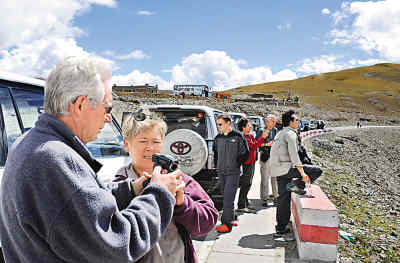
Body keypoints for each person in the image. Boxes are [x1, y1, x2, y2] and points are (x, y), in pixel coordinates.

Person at [0, 56, 183, 262]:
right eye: (107, 108)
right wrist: (160, 193)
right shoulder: (54, 160)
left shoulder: (29, 141)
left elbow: (76, 205)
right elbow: (116, 245)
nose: (107, 118)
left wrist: (131, 190)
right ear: (80, 105)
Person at [114, 113, 218, 263]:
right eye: (143, 141)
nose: (150, 148)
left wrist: (182, 204)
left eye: (156, 141)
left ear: (163, 144)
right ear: (126, 144)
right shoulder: (119, 187)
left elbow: (208, 221)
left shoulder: (178, 179)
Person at [269, 110, 323, 238]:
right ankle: (295, 185)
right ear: (291, 122)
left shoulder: (280, 133)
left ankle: (280, 228)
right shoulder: (290, 134)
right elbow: (294, 157)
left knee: (283, 199)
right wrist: (302, 174)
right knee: (317, 170)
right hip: (286, 169)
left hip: (277, 170)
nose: (298, 122)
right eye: (297, 120)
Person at [213, 114, 249, 233]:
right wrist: (217, 166)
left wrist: (236, 163)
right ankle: (232, 218)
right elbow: (215, 153)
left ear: (228, 123)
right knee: (226, 196)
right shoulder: (218, 138)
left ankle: (226, 225)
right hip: (222, 172)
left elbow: (246, 153)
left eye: (220, 124)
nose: (218, 126)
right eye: (217, 124)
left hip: (233, 172)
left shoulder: (238, 136)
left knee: (228, 198)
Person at [236, 118, 268, 213]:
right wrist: (262, 138)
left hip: (251, 162)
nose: (250, 127)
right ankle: (241, 205)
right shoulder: (243, 138)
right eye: (248, 125)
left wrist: (263, 142)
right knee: (246, 184)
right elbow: (254, 146)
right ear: (243, 127)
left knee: (248, 183)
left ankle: (245, 203)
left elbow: (255, 144)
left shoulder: (249, 136)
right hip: (246, 164)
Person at [256, 114, 278, 207]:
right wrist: (266, 145)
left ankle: (276, 197)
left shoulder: (275, 130)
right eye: (272, 121)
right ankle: (264, 198)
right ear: (267, 122)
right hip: (265, 157)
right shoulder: (261, 131)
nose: (274, 123)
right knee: (265, 179)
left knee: (275, 179)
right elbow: (257, 144)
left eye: (275, 121)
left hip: (274, 158)